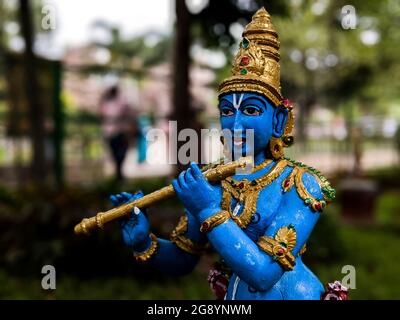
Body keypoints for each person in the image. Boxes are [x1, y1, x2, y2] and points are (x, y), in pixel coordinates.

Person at [110, 8, 341, 300]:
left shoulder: (301, 184)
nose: (236, 123)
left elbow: (263, 275)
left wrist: (207, 208)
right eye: (227, 111)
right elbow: (183, 260)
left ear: (279, 121)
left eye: (252, 110)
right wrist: (144, 241)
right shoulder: (214, 183)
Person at [99, 85, 137, 181]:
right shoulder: (107, 103)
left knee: (121, 154)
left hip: (120, 132)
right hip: (111, 132)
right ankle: (119, 173)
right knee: (116, 154)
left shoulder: (121, 102)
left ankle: (119, 173)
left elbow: (130, 113)